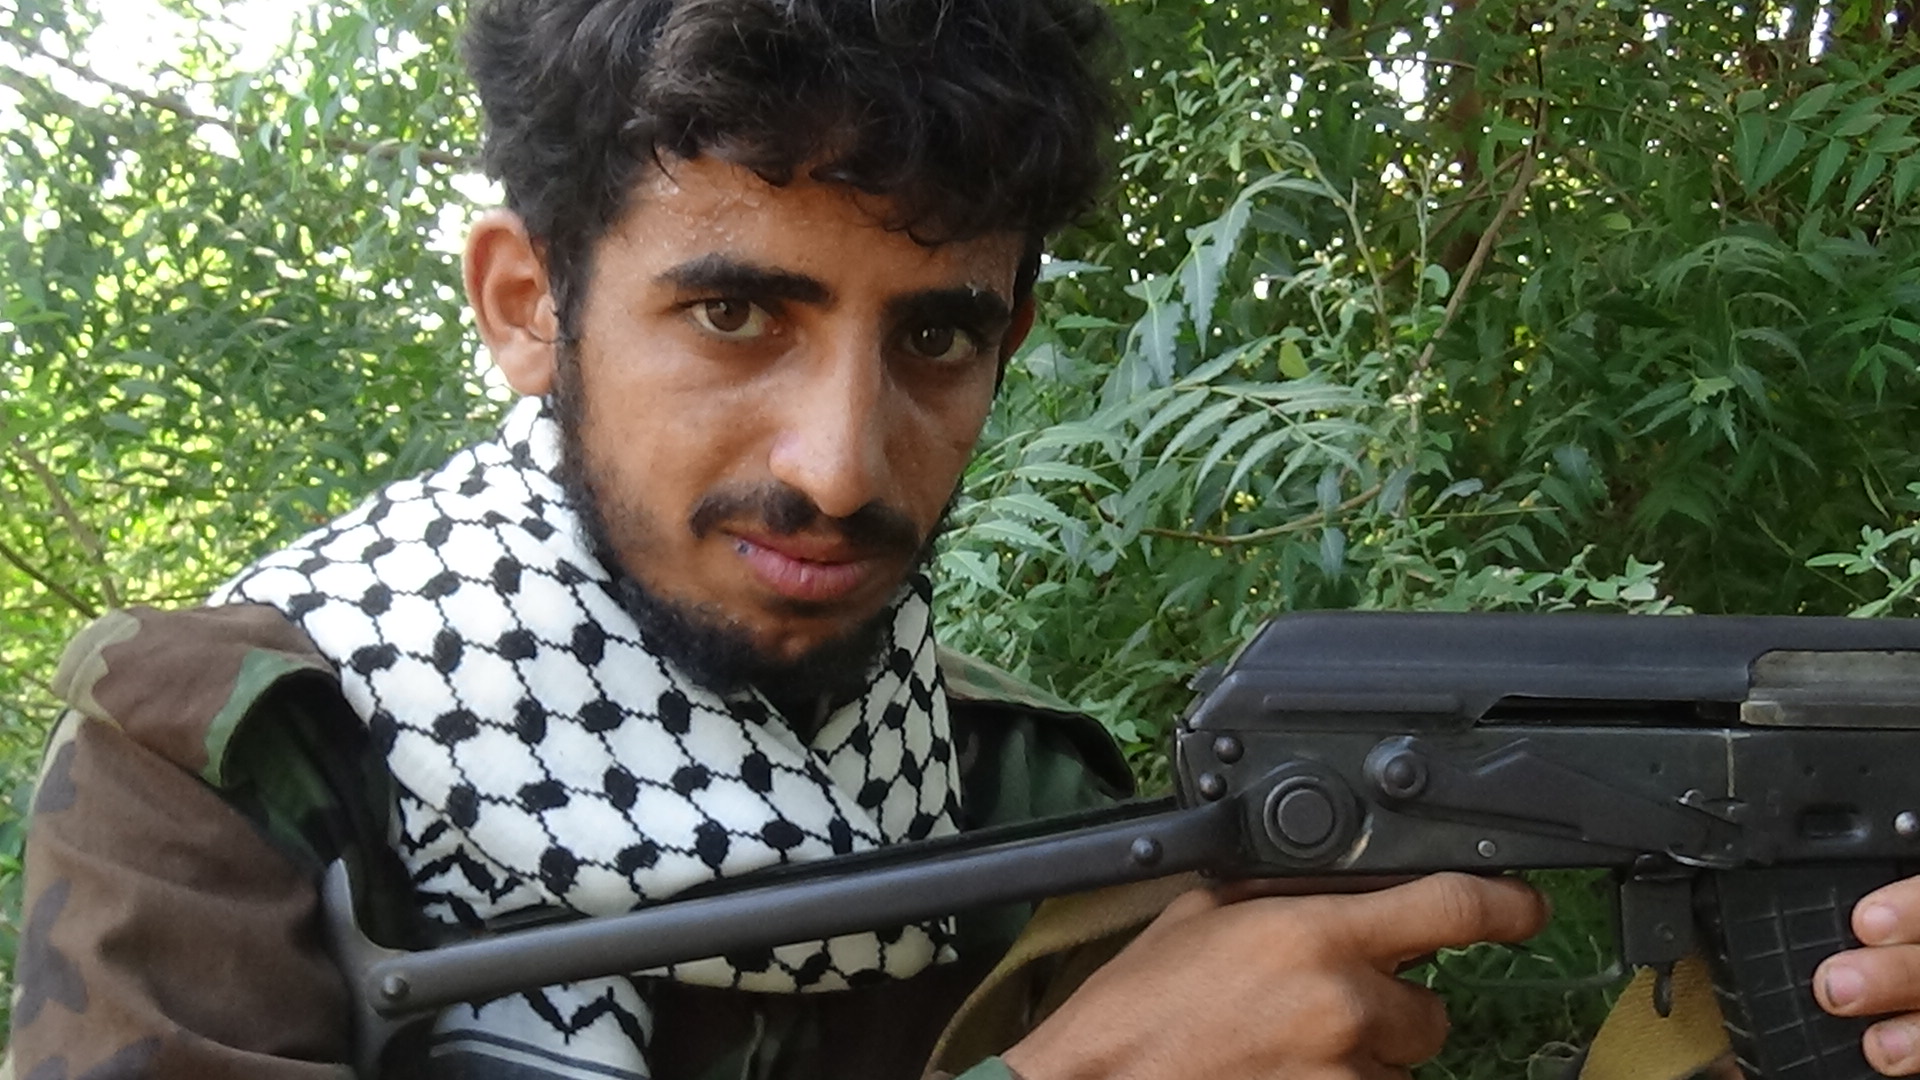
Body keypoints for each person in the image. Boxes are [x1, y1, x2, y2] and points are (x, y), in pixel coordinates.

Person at [2, 1, 1910, 1078]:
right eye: (735, 315)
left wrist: (1801, 1018)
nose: (843, 465)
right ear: (526, 305)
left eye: (936, 338)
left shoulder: (1022, 783)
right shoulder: (238, 759)